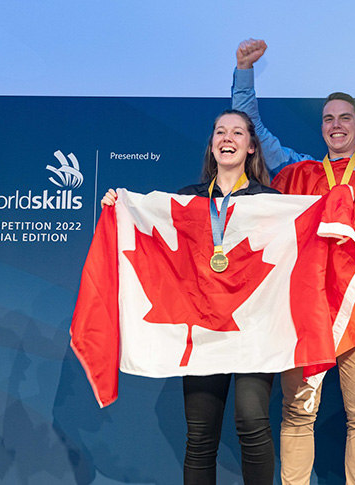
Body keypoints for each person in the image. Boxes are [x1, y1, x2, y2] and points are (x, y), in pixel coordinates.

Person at [231, 38, 355, 485]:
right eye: (328, 119)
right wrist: (243, 73)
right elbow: (250, 127)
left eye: (344, 118)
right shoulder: (298, 172)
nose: (336, 125)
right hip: (306, 306)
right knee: (297, 411)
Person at [102, 110, 279, 485]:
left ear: (250, 147)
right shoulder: (186, 199)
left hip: (253, 327)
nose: (226, 137)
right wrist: (118, 208)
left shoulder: (272, 202)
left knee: (251, 421)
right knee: (200, 437)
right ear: (213, 144)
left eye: (236, 132)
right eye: (219, 131)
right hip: (200, 330)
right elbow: (156, 243)